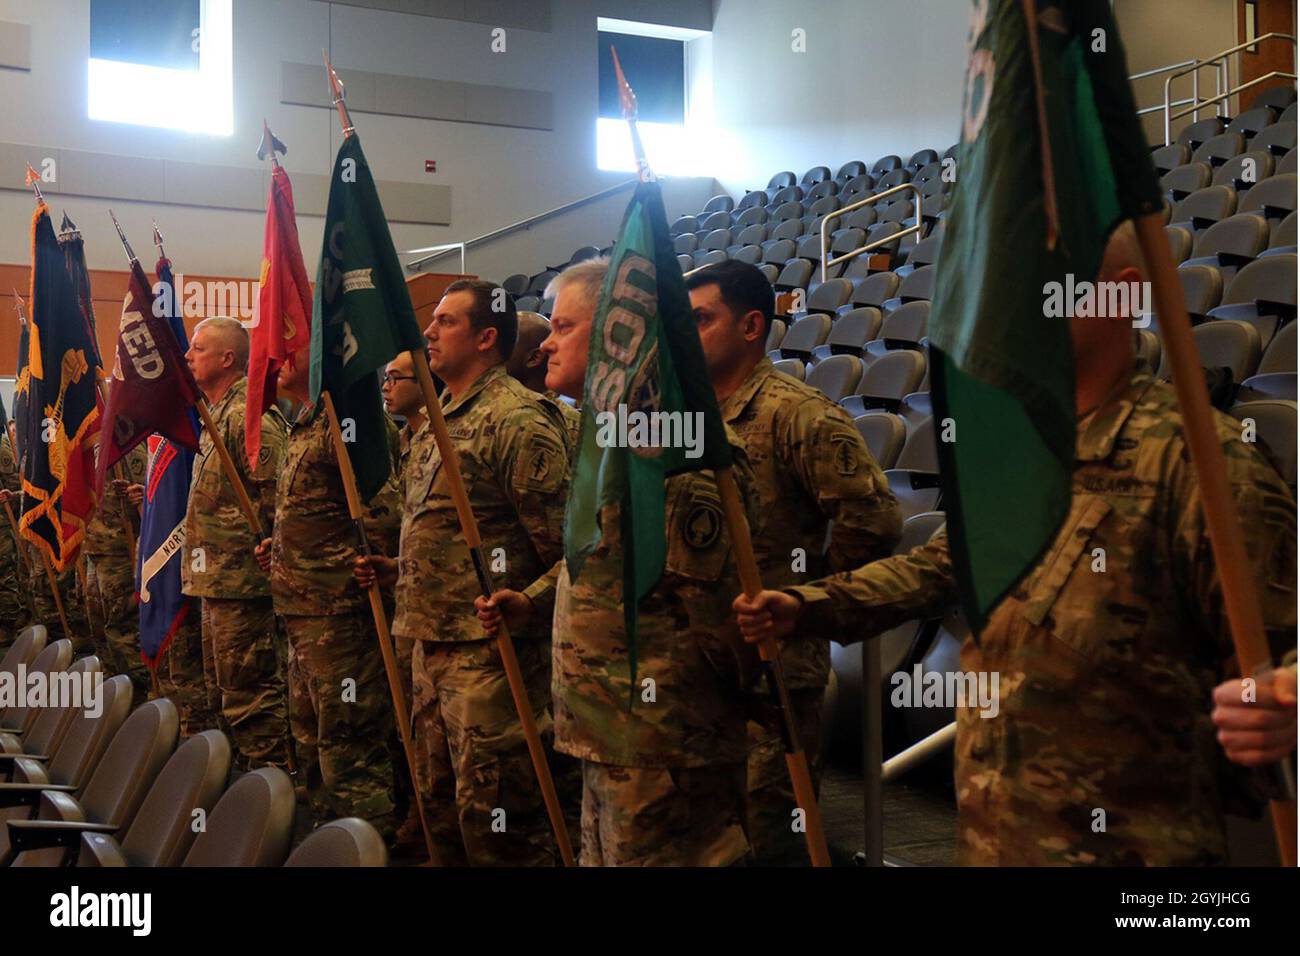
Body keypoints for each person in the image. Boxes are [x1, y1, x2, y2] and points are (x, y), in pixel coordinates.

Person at [733, 221, 1298, 866]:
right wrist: (807, 605)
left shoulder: (1203, 465)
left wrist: (1277, 705)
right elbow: (940, 567)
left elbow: (1275, 661)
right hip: (996, 830)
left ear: (1119, 296)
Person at [476, 259, 760, 866]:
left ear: (619, 334)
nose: (545, 342)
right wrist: (535, 597)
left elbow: (712, 617)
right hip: (606, 730)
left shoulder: (677, 452)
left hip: (662, 747)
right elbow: (595, 556)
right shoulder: (606, 436)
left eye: (563, 325)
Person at [687, 260, 902, 865]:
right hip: (702, 670)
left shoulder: (797, 413)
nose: (685, 333)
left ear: (751, 325)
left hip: (772, 671)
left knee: (769, 839)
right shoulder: (690, 419)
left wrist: (809, 599)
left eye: (701, 319)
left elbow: (876, 520)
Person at [356, 280, 570, 866]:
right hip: (430, 648)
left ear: (486, 337)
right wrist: (399, 566)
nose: (429, 332)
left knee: (499, 830)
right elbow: (451, 533)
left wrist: (527, 599)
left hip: (491, 662)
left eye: (446, 322)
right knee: (441, 819)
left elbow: (576, 551)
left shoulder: (516, 420)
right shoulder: (439, 419)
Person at [255, 346, 400, 836]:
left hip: (341, 615)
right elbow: (321, 508)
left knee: (348, 743)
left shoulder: (343, 422)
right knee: (310, 737)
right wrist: (282, 548)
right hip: (302, 610)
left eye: (290, 352)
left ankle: (366, 844)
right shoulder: (303, 423)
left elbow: (383, 514)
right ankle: (326, 841)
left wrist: (382, 572)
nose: (277, 361)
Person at [182, 316, 291, 769]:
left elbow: (276, 505)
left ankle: (271, 799)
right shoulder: (216, 415)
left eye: (198, 349)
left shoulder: (251, 418)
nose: (188, 357)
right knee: (223, 696)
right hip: (218, 583)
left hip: (245, 586)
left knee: (252, 702)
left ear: (227, 358)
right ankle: (237, 801)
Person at [507, 310, 580, 454]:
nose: (494, 350)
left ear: (534, 358)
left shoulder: (568, 426)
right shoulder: (488, 404)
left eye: (506, 344)